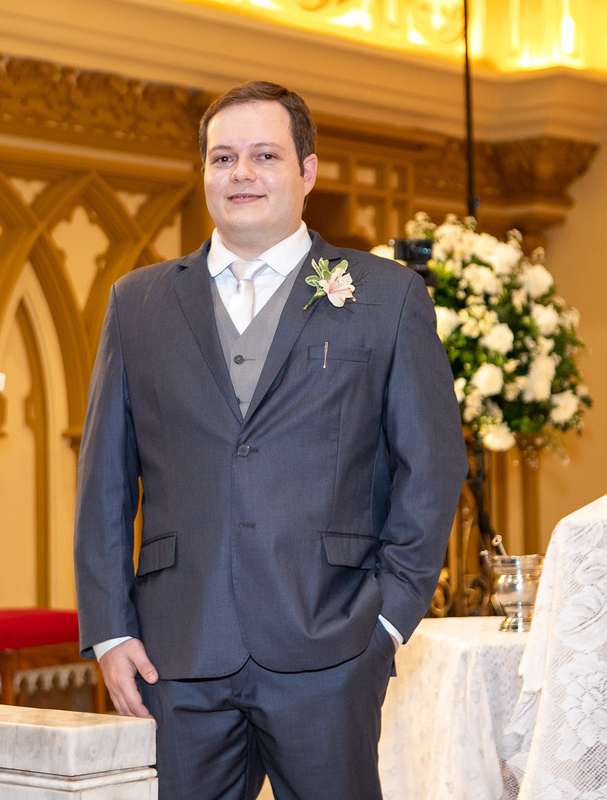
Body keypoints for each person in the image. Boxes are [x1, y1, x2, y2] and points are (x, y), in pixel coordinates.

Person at [74, 80, 466, 799]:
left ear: (307, 171)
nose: (242, 174)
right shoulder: (139, 302)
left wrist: (388, 619)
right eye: (223, 158)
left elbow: (432, 466)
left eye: (265, 156)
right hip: (178, 647)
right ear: (203, 174)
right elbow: (104, 475)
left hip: (332, 640)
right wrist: (110, 630)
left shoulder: (386, 296)